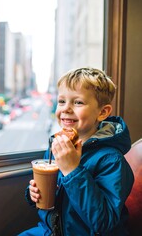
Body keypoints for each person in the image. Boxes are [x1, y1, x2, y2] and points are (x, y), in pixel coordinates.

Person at [19, 67, 134, 236]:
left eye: (78, 102)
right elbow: (57, 199)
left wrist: (72, 170)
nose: (66, 108)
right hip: (50, 231)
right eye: (61, 101)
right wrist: (33, 194)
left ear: (102, 112)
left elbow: (103, 222)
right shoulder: (57, 146)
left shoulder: (111, 161)